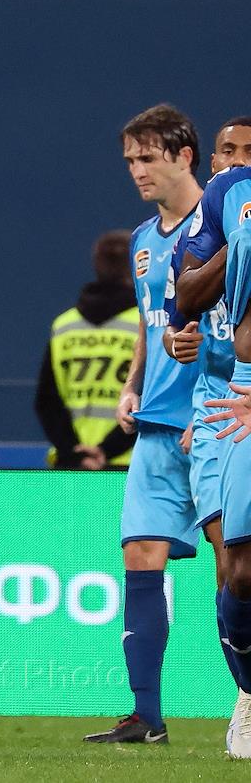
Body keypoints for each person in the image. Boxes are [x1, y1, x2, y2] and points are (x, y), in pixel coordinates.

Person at [83, 105, 210, 746]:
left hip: (219, 423)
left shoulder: (224, 230)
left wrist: (217, 395)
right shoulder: (141, 240)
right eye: (130, 160)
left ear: (184, 155)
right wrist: (132, 385)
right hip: (158, 427)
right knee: (140, 556)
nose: (137, 170)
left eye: (148, 158)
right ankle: (146, 716)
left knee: (236, 571)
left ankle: (244, 705)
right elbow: (148, 321)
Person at [165, 117, 251, 758]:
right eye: (230, 151)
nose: (239, 161)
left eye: (250, 153)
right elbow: (184, 301)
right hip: (224, 401)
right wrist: (238, 243)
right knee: (235, 567)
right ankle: (247, 695)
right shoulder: (223, 204)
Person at [34, 230, 139, 470]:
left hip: (71, 464)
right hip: (128, 463)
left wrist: (75, 452)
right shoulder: (144, 325)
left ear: (96, 264)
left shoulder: (65, 325)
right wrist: (105, 451)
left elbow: (47, 402)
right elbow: (149, 399)